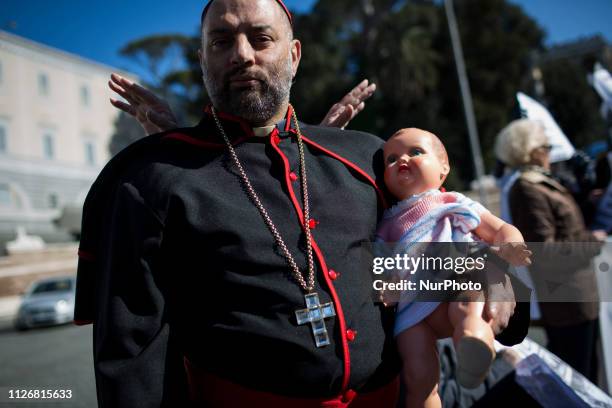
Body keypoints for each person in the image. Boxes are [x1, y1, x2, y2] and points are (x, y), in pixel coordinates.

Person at [75, 1, 527, 406]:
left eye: (260, 38)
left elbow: (430, 234)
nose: (242, 54)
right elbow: (130, 349)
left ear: (293, 54)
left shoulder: (364, 156)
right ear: (203, 60)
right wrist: (174, 147)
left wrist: (499, 280)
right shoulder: (149, 177)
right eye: (221, 41)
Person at [376, 128, 530, 408]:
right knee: (418, 373)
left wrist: (509, 250)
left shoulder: (452, 201)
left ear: (443, 166)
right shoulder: (385, 223)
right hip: (414, 309)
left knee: (467, 308)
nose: (402, 160)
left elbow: (501, 229)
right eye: (391, 159)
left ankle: (475, 348)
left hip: (458, 276)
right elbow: (382, 265)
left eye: (416, 152)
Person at [495, 118, 606, 382]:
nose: (549, 152)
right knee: (578, 382)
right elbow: (544, 252)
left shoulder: (537, 182)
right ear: (532, 150)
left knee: (587, 378)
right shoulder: (527, 188)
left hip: (577, 298)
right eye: (545, 146)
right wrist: (593, 241)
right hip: (566, 301)